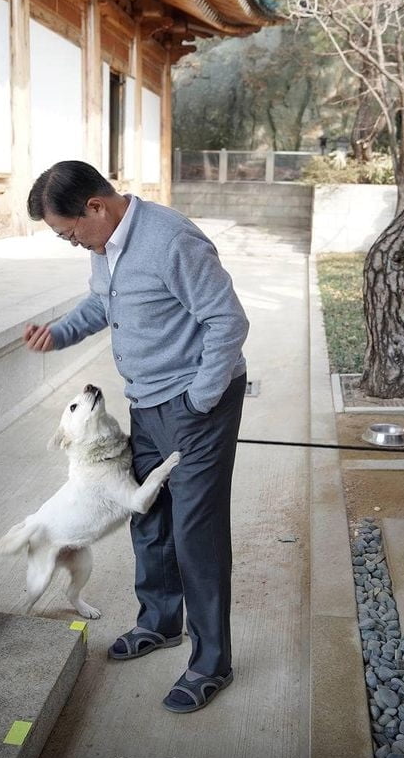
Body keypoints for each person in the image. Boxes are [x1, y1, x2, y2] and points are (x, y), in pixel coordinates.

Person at [24, 160, 249, 713]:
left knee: (196, 530)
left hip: (197, 403)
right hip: (145, 402)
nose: (73, 243)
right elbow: (105, 304)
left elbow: (228, 321)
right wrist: (59, 334)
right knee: (148, 519)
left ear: (96, 207)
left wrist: (200, 398)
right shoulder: (106, 250)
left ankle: (210, 661)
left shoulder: (171, 240)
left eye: (70, 232)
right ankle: (159, 622)